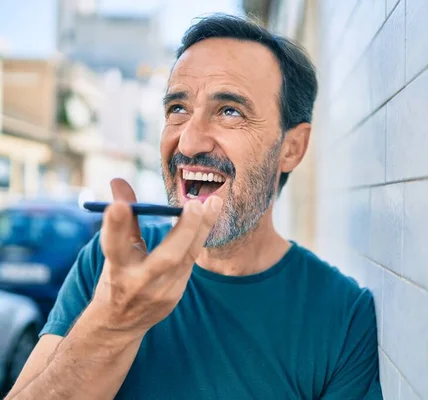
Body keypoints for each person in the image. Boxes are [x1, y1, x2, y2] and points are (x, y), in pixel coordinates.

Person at [6, 14, 383, 399]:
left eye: (230, 111)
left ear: (291, 148)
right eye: (177, 109)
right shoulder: (109, 267)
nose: (188, 143)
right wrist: (114, 322)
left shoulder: (342, 316)